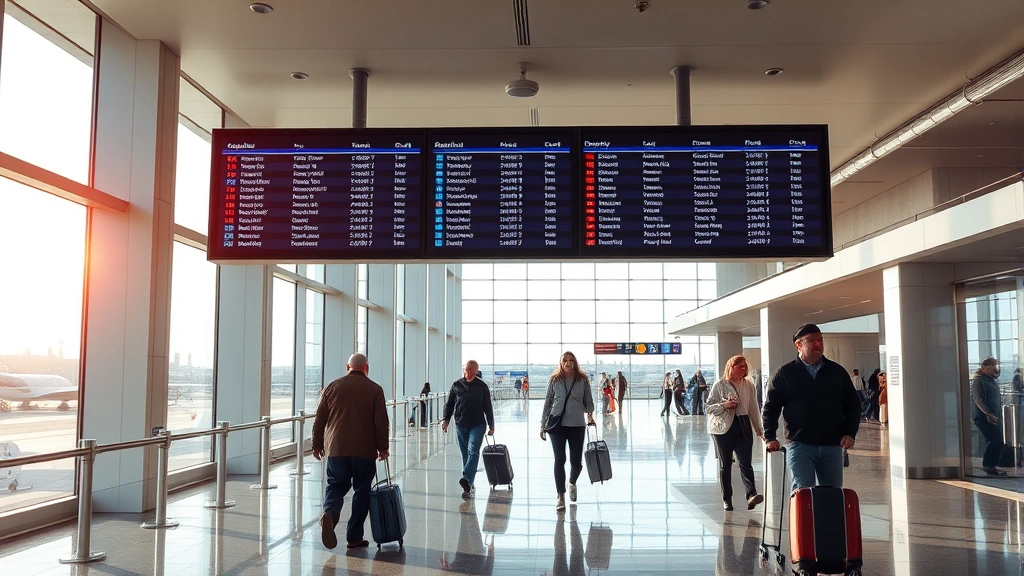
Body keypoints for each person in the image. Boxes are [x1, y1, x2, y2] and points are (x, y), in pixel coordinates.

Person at [762, 324, 862, 491]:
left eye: (820, 340)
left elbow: (853, 404)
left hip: (832, 444)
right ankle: (804, 519)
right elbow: (771, 408)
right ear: (799, 345)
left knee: (832, 495)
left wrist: (850, 432)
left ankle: (828, 519)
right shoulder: (785, 373)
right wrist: (770, 436)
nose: (818, 344)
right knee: (803, 495)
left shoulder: (836, 372)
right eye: (811, 340)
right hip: (800, 444)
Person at [311, 353, 389, 550]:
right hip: (365, 450)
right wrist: (383, 448)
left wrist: (317, 444)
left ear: (348, 367)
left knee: (336, 485)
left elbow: (320, 419)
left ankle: (330, 514)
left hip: (336, 449)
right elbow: (381, 422)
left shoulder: (332, 387)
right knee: (361, 491)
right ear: (366, 367)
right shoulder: (375, 389)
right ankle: (354, 537)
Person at [706, 355, 764, 511]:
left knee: (746, 462)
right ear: (731, 368)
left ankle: (751, 495)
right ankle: (727, 499)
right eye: (740, 366)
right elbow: (708, 407)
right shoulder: (720, 385)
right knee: (726, 465)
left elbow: (754, 409)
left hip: (743, 424)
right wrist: (725, 405)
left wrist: (759, 430)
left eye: (745, 366)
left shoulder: (749, 385)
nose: (744, 369)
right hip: (722, 428)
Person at [541, 351, 596, 510]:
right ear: (561, 362)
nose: (568, 363)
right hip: (556, 424)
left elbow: (589, 402)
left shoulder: (582, 380)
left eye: (571, 360)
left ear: (575, 362)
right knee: (560, 460)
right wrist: (542, 424)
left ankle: (571, 482)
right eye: (565, 360)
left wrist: (590, 415)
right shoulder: (554, 380)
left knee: (576, 463)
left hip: (577, 425)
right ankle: (560, 496)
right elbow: (548, 402)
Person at [443, 360, 495, 499]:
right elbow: (450, 404)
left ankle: (466, 478)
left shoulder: (482, 386)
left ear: (476, 371)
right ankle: (468, 485)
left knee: (473, 451)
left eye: (471, 370)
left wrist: (491, 425)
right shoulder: (457, 385)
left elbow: (488, 407)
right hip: (460, 424)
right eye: (466, 369)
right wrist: (446, 420)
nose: (468, 372)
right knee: (465, 455)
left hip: (477, 425)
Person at [972, 357, 1005, 476]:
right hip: (984, 416)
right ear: (985, 368)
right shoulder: (980, 380)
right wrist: (988, 414)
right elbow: (978, 399)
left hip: (993, 416)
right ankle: (988, 465)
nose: (996, 370)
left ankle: (991, 465)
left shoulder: (992, 381)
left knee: (996, 440)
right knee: (996, 439)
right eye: (994, 368)